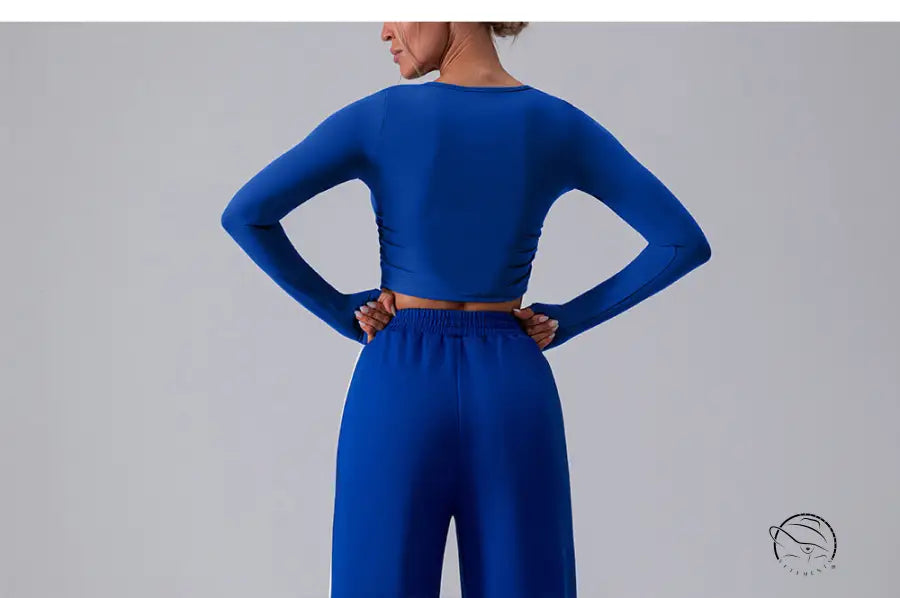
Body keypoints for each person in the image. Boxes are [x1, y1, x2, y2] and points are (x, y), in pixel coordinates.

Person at [221, 21, 711, 598]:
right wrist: (566, 319)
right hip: (510, 383)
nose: (385, 30)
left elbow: (247, 214)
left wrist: (342, 309)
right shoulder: (556, 124)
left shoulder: (381, 117)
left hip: (398, 385)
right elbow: (679, 243)